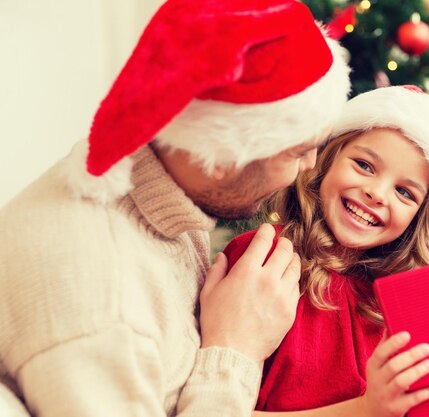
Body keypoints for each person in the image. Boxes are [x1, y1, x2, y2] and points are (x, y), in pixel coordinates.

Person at [0, 0, 351, 416]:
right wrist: (235, 350)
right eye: (298, 151)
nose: (309, 166)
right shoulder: (102, 311)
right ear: (223, 157)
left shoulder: (165, 185)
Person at [218, 85, 429, 417]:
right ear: (327, 159)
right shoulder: (264, 262)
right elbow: (212, 406)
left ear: (418, 219)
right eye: (364, 165)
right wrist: (366, 410)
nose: (377, 193)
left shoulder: (409, 311)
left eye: (404, 192)